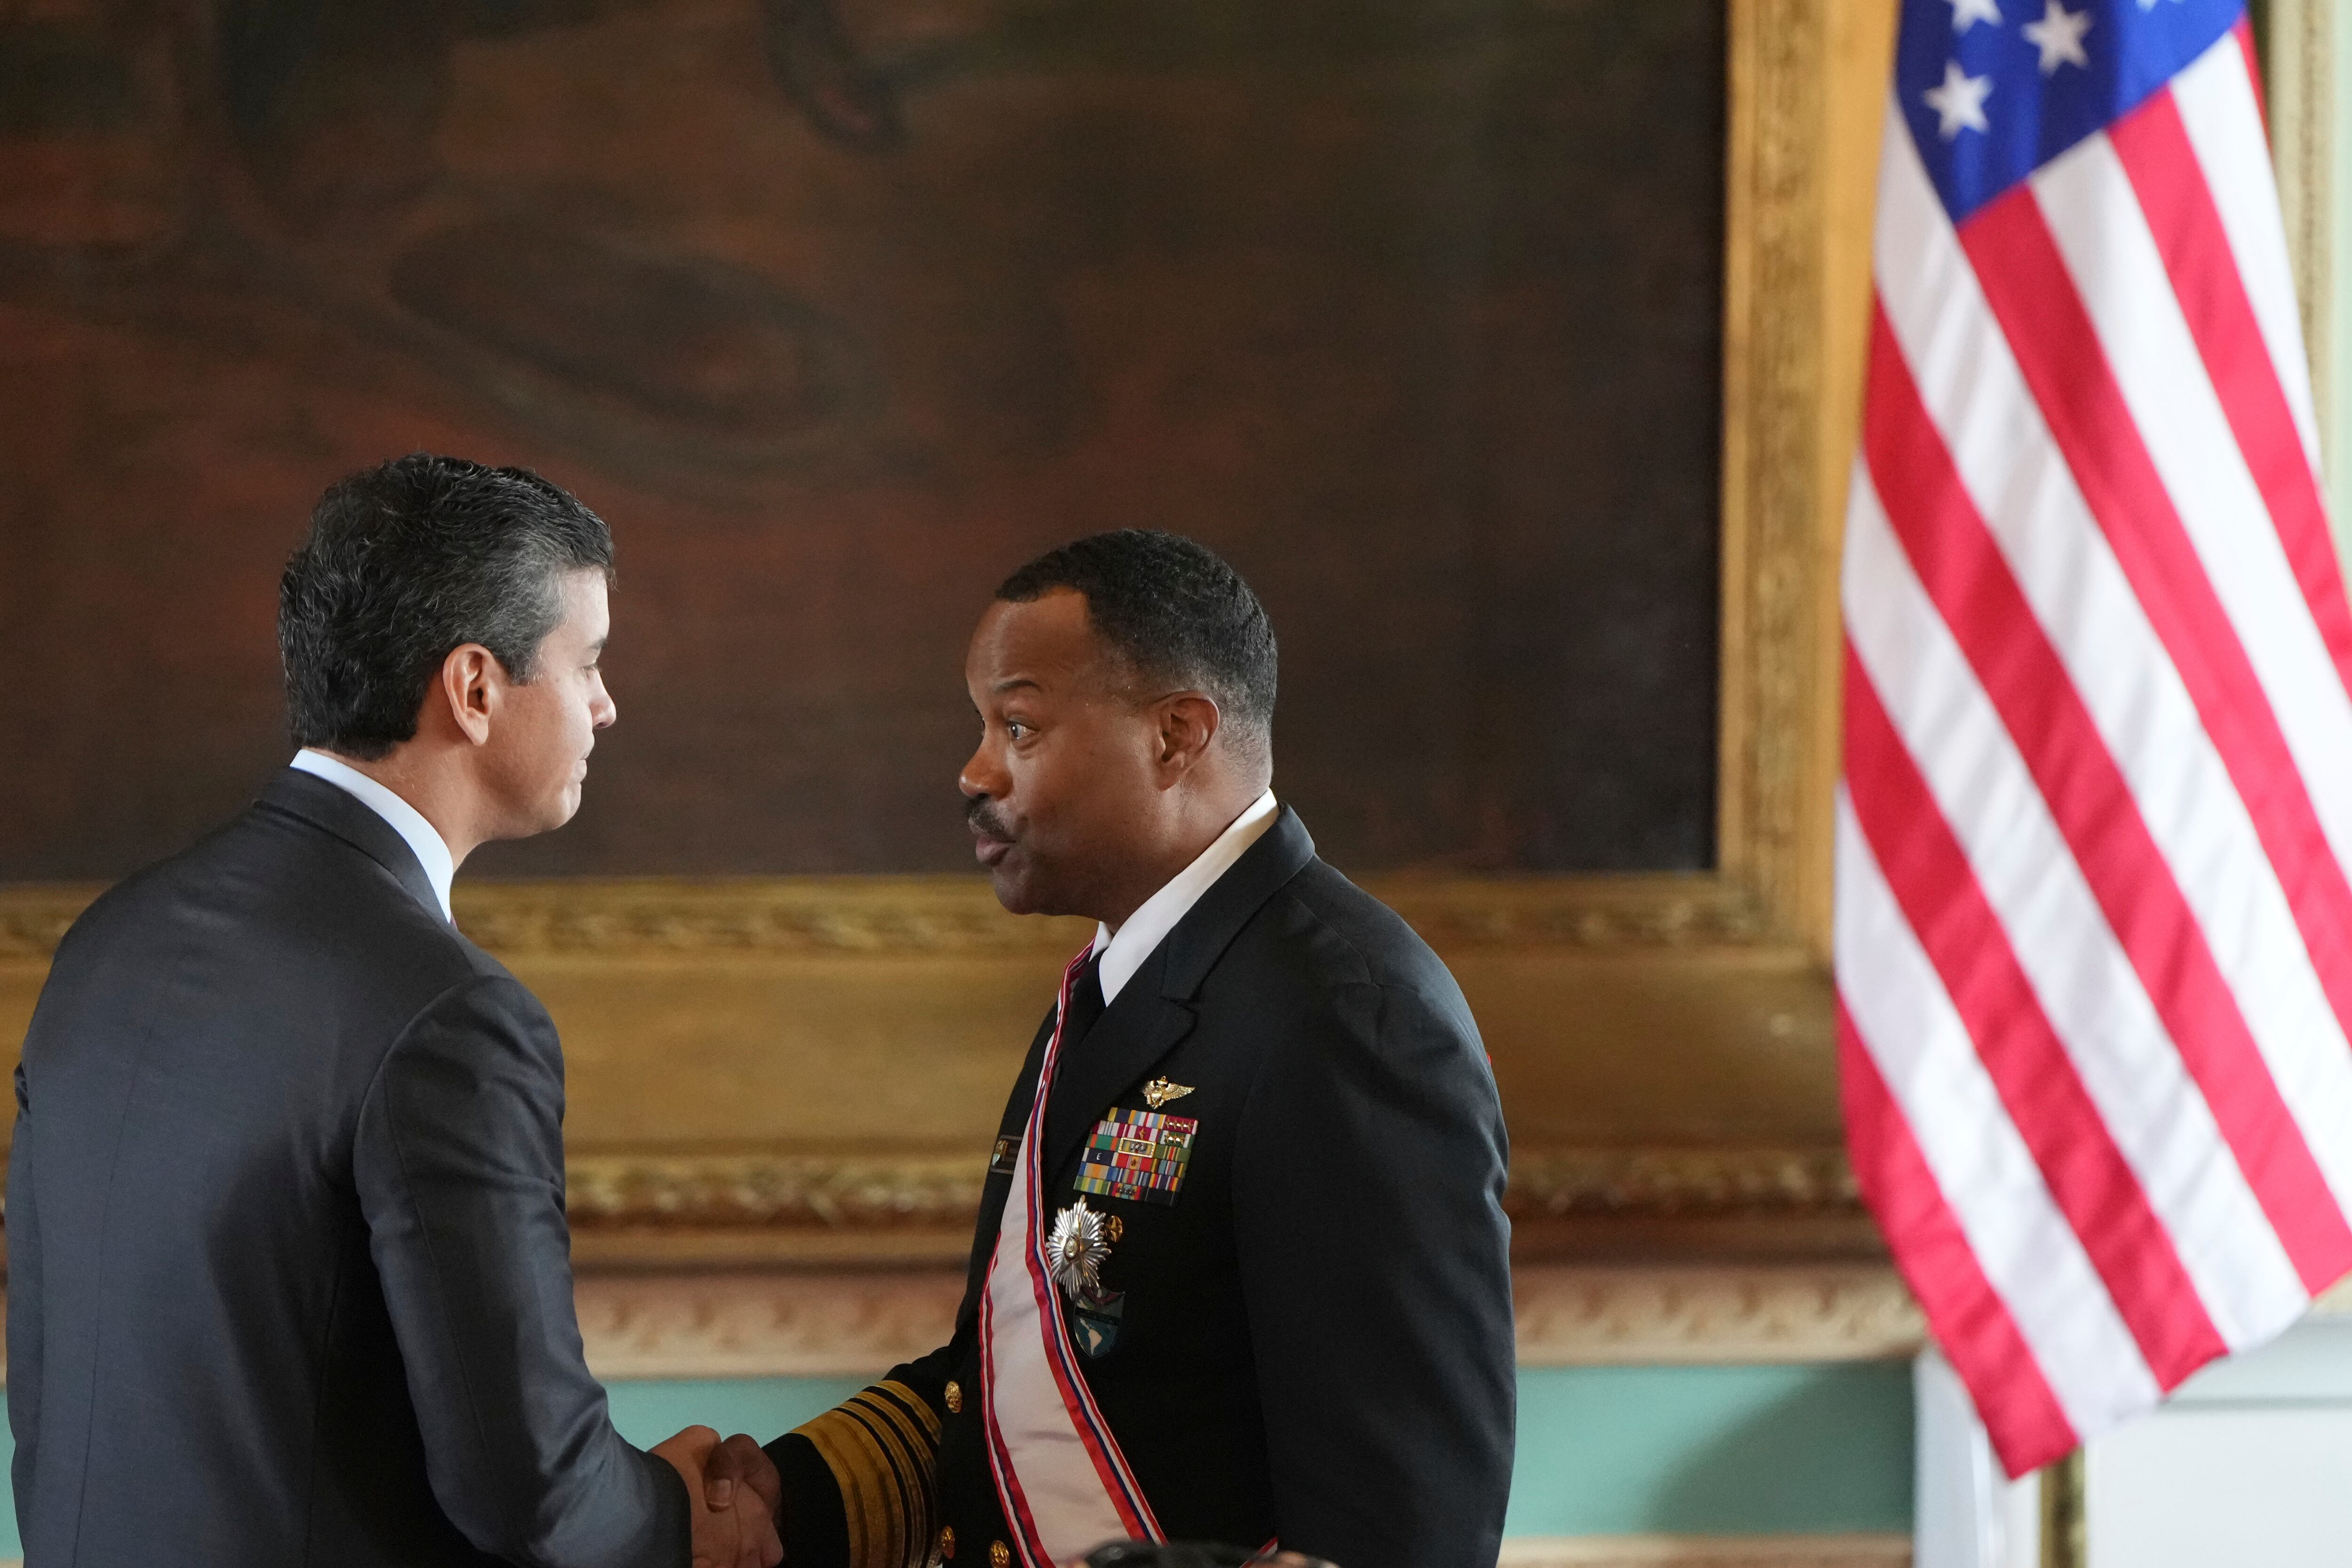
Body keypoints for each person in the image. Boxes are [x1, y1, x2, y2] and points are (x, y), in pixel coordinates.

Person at [7, 455, 779, 1568]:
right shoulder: (450, 1016)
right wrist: (677, 1515)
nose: (606, 705)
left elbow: (49, 1397)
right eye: (588, 663)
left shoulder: (105, 941)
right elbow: (527, 1489)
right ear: (475, 688)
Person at [709, 531, 1516, 1568]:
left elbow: (1402, 1523)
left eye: (1019, 726)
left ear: (1175, 736)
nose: (974, 771)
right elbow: (1021, 1380)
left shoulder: (1348, 1018)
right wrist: (788, 1495)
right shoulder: (1119, 985)